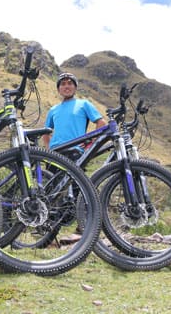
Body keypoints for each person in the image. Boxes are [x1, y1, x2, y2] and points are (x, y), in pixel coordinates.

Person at [42, 72, 107, 243]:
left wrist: (90, 141)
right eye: (62, 84)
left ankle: (82, 229)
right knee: (52, 192)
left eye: (70, 83)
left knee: (81, 189)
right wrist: (48, 149)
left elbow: (101, 124)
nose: (66, 86)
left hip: (75, 152)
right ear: (58, 89)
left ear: (75, 87)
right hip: (55, 154)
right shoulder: (53, 110)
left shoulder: (84, 104)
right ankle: (47, 233)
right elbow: (46, 132)